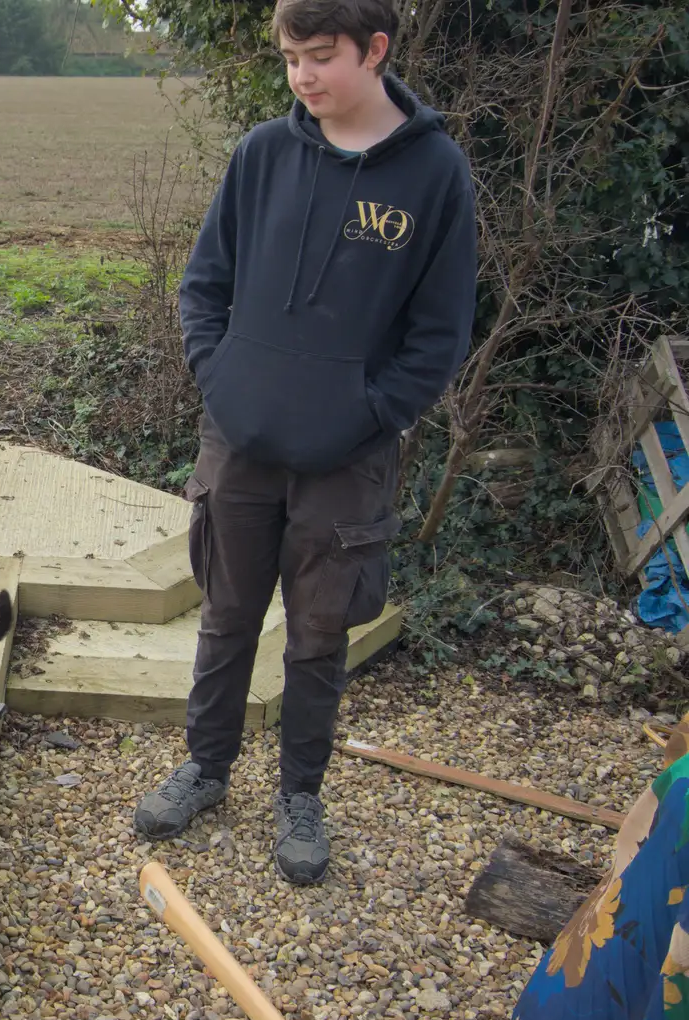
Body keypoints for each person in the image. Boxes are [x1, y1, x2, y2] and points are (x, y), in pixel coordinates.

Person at [132, 0, 478, 885]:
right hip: (239, 446)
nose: (303, 78)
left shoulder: (435, 174)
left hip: (348, 459)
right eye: (291, 60)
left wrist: (368, 413)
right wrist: (223, 380)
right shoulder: (262, 155)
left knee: (319, 637)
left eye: (321, 57)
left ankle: (301, 797)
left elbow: (439, 336)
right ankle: (207, 769)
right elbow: (204, 286)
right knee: (225, 616)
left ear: (377, 49)